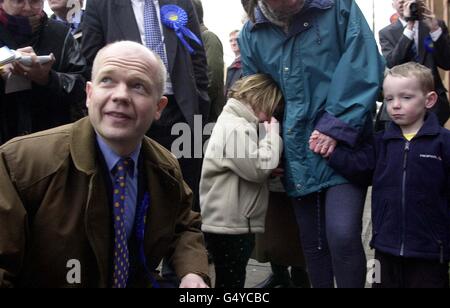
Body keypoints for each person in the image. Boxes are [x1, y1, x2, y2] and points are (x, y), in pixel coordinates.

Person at [0, 41, 210, 288]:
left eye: (138, 86)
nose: (120, 95)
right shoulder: (21, 163)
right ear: (89, 94)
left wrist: (193, 272)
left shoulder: (165, 168)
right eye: (107, 80)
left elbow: (183, 225)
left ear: (158, 107)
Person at [239, 0, 385, 288]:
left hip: (343, 146)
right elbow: (258, 94)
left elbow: (362, 62)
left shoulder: (338, 7)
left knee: (342, 235)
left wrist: (336, 126)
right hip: (295, 150)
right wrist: (270, 147)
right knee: (313, 245)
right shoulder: (251, 33)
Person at [328, 62, 450, 288]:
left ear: (429, 100)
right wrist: (330, 151)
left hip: (430, 250)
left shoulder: (443, 142)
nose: (395, 105)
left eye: (406, 97)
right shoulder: (381, 142)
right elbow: (358, 167)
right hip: (385, 248)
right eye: (389, 98)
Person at [82, 0, 210, 213]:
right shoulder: (101, 5)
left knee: (183, 196)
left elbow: (197, 58)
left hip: (181, 113)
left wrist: (198, 104)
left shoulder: (182, 3)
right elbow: (89, 58)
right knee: (131, 191)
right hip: (127, 113)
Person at [200, 74, 283, 288]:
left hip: (229, 221)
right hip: (230, 224)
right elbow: (258, 167)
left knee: (230, 278)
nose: (269, 116)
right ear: (260, 100)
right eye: (271, 109)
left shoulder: (233, 122)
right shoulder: (235, 127)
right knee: (231, 282)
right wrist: (273, 135)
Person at [0, 0, 86, 145]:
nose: (27, 8)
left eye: (34, 1)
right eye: (18, 1)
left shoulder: (60, 34)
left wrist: (47, 78)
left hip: (51, 143)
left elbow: (82, 86)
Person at [379, 0, 450, 126]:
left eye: (407, 1)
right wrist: (409, 28)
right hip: (400, 104)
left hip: (434, 104)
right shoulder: (386, 33)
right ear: (393, 4)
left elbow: (446, 62)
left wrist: (435, 30)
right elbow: (393, 63)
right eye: (399, 2)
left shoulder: (434, 26)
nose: (403, 4)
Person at [191, 0, 225, 123]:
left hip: (208, 117)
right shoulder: (190, 40)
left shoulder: (208, 37)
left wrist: (197, 105)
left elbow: (213, 77)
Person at [224, 30, 242, 98]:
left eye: (236, 40)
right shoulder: (233, 64)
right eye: (231, 41)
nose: (233, 43)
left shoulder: (246, 63)